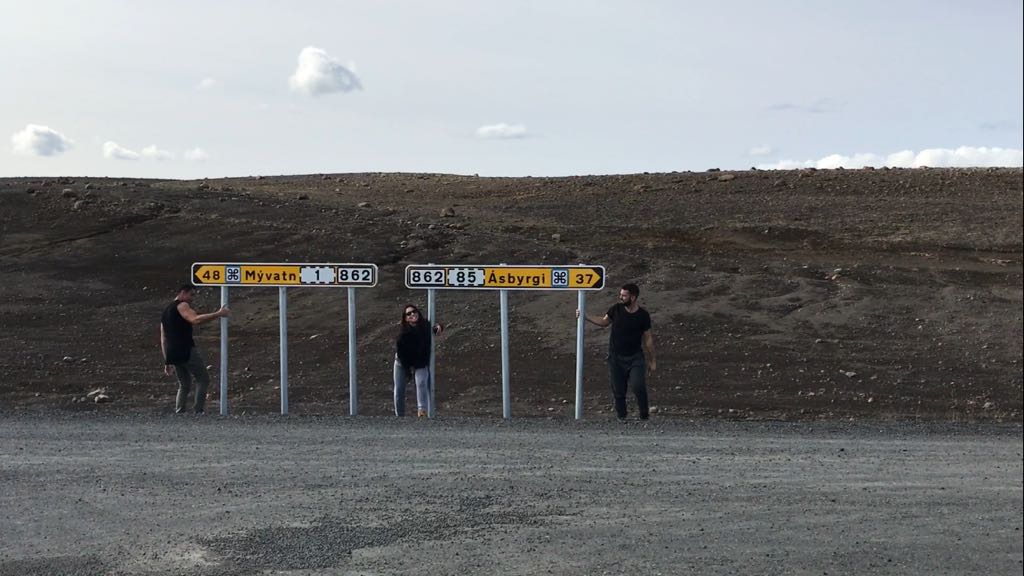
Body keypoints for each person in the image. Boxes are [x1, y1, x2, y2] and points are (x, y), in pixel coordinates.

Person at [577, 283, 656, 421]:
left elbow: (648, 339)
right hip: (616, 357)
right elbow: (603, 322)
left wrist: (652, 360)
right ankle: (622, 417)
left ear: (633, 297)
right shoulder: (616, 309)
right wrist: (585, 315)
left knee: (638, 386)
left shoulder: (643, 315)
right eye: (620, 295)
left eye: (624, 295)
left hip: (635, 357)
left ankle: (644, 415)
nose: (621, 297)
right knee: (618, 390)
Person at [160, 284, 229, 414]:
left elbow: (163, 337)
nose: (192, 299)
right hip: (186, 349)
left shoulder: (165, 311)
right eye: (191, 295)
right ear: (183, 293)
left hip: (172, 352)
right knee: (203, 378)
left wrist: (167, 360)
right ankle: (198, 411)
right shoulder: (182, 305)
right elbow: (195, 319)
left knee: (184, 383)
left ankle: (179, 411)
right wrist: (218, 314)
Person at [394, 304, 443, 417]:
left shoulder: (425, 326)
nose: (412, 314)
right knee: (399, 390)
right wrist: (408, 371)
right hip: (402, 362)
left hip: (420, 361)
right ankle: (399, 416)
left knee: (421, 382)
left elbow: (435, 329)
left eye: (414, 311)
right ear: (405, 318)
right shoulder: (403, 334)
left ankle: (422, 411)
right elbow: (402, 354)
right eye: (409, 314)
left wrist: (440, 326)